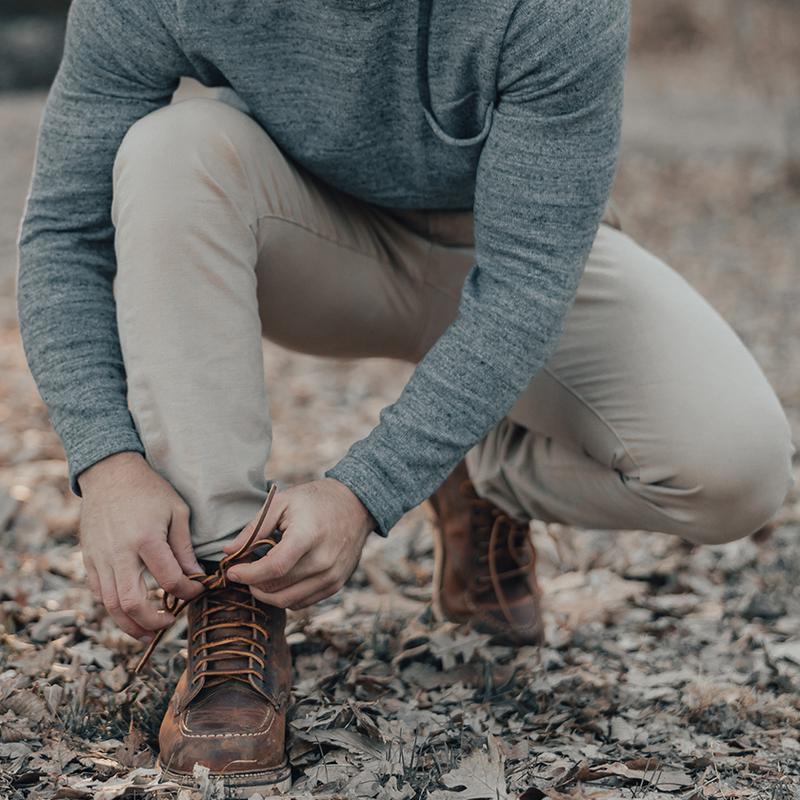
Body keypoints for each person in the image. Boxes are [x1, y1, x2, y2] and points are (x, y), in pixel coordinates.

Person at [16, 0, 794, 795]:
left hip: (506, 251)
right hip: (306, 235)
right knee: (166, 153)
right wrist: (107, 461)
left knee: (737, 470)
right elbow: (63, 230)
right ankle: (230, 585)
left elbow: (526, 288)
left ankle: (480, 464)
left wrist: (371, 488)